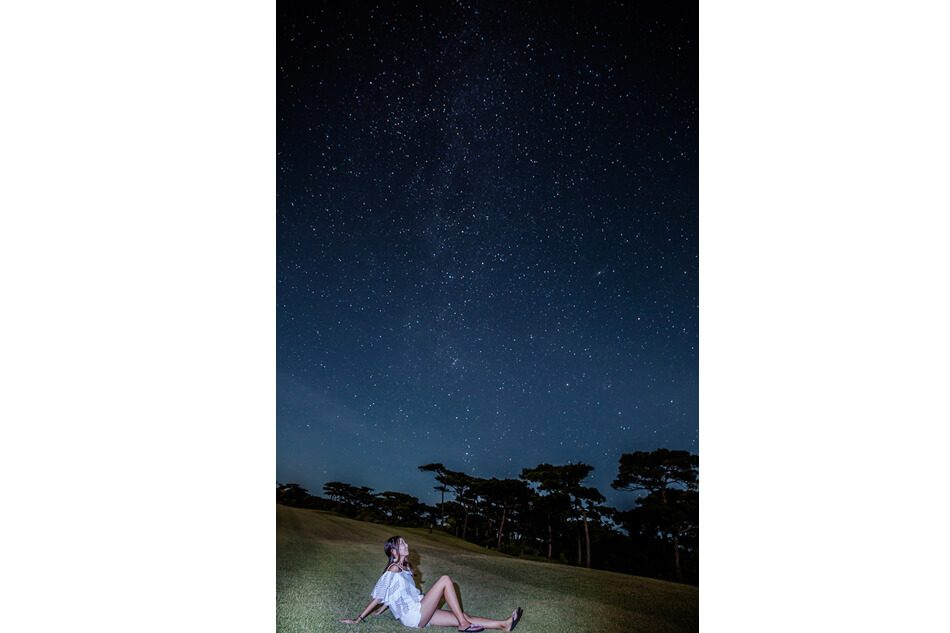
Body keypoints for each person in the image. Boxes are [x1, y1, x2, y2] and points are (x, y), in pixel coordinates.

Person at [340, 536, 523, 632]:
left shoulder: (404, 568)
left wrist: (381, 610)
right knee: (444, 580)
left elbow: (393, 594)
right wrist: (359, 618)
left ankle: (503, 625)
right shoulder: (393, 569)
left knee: (464, 615)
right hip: (414, 615)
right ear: (394, 551)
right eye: (401, 543)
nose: (406, 544)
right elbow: (380, 595)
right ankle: (462, 624)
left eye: (404, 541)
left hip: (420, 609)